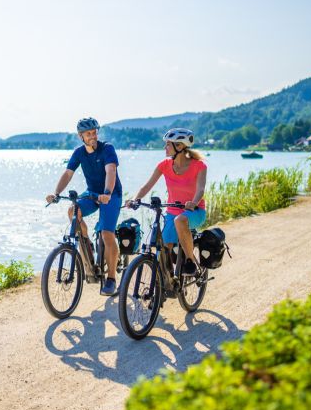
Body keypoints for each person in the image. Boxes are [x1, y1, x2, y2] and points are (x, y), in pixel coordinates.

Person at [46, 117, 123, 296]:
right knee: (73, 211)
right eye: (88, 134)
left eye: (94, 132)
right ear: (80, 136)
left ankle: (111, 279)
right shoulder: (79, 153)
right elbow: (68, 173)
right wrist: (56, 193)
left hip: (111, 195)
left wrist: (107, 193)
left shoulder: (107, 148)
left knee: (107, 233)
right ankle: (87, 244)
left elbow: (110, 171)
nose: (93, 136)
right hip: (92, 194)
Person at [128, 127, 207, 275]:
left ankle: (190, 262)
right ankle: (166, 279)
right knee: (164, 248)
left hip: (195, 212)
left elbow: (201, 189)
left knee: (180, 220)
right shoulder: (164, 165)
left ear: (179, 146)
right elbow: (147, 186)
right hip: (172, 213)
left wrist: (194, 202)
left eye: (168, 144)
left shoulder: (199, 166)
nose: (165, 147)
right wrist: (135, 199)